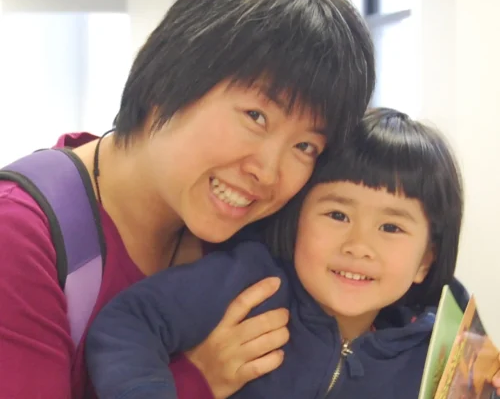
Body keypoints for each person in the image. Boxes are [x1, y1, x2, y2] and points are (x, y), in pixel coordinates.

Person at [0, 0, 375, 399]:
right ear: (169, 78)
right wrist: (198, 382)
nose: (269, 171)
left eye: (306, 146)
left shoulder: (258, 239)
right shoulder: (20, 236)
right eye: (256, 116)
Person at [87, 107, 500, 399]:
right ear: (297, 216)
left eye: (391, 227)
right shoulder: (249, 282)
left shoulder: (441, 353)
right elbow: (128, 323)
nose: (358, 245)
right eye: (337, 214)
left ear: (426, 259)